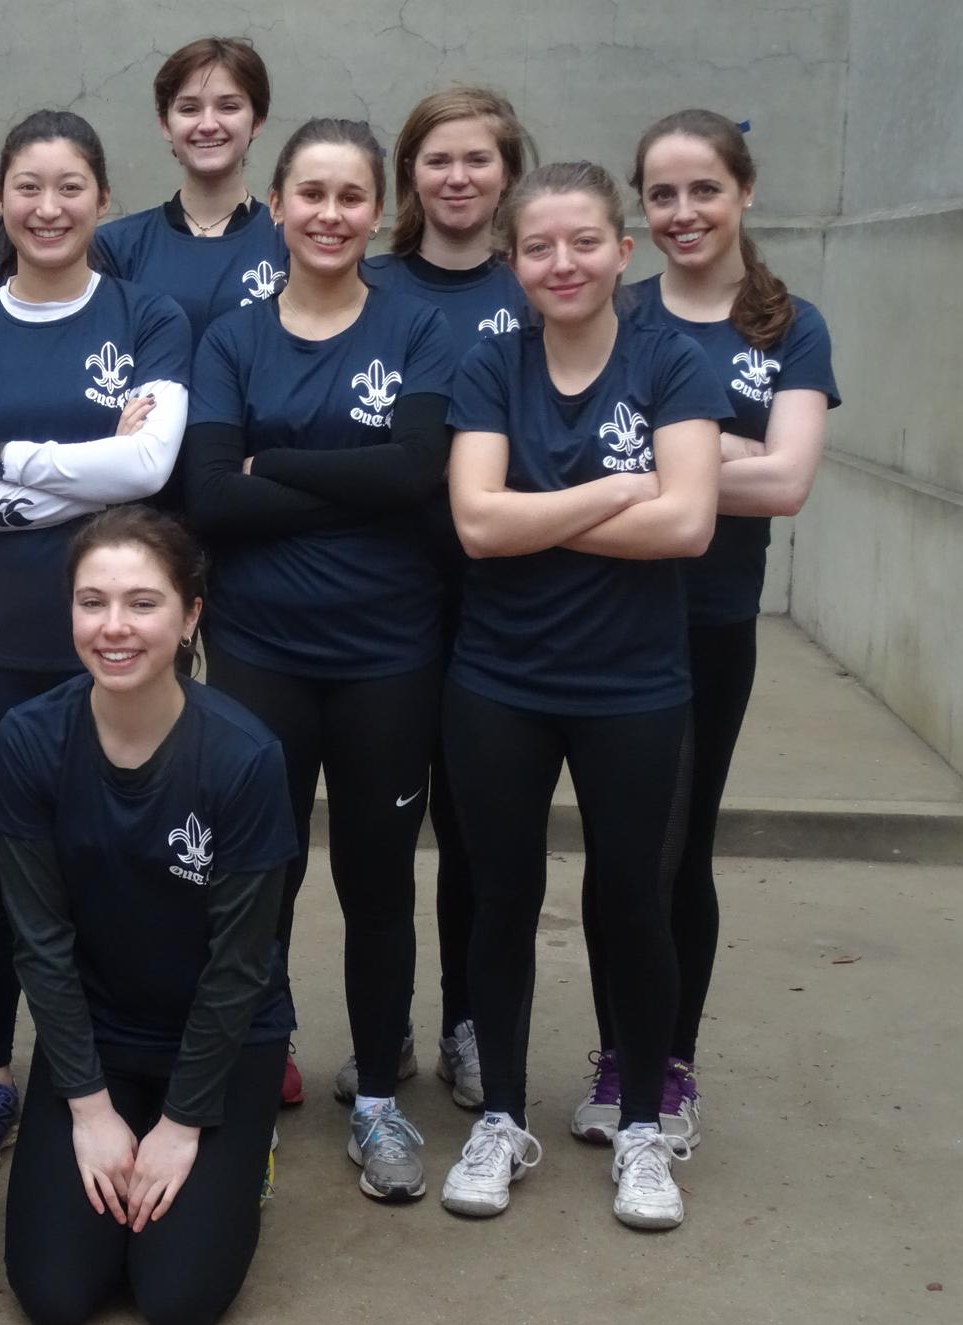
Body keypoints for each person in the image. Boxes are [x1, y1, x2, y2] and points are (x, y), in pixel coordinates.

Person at [437, 161, 728, 1230]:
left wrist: (537, 512)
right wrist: (614, 488)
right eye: (539, 248)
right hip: (500, 680)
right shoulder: (491, 368)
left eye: (583, 244)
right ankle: (502, 1117)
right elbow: (475, 524)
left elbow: (690, 524)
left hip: (634, 687)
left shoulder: (674, 362)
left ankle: (644, 1127)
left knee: (630, 901)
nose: (562, 265)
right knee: (502, 895)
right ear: (512, 263)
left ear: (624, 251)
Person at [183, 116, 455, 1191]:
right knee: (262, 873)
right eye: (312, 195)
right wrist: (357, 478)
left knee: (379, 879)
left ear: (376, 207)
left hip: (389, 650)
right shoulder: (233, 338)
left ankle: (381, 1100)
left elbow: (420, 477)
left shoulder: (416, 330)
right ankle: (257, 1065)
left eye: (351, 197)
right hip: (260, 648)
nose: (331, 216)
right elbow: (208, 498)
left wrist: (278, 463)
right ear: (281, 207)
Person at [0, 108, 192, 1177]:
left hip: (118, 639)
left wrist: (10, 454)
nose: (48, 207)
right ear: (3, 200)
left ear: (103, 201)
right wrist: (81, 473)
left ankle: (123, 1071)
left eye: (71, 186)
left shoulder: (148, 314)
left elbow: (153, 471)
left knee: (118, 866)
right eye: (28, 187)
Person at [571, 110, 840, 1148]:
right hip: (604, 620)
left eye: (704, 191)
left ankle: (667, 1066)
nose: (684, 213)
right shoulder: (616, 309)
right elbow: (572, 459)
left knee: (673, 859)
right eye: (664, 195)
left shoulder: (789, 326)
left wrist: (674, 467)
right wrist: (716, 455)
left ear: (745, 193)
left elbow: (788, 482)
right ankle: (614, 1052)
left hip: (709, 626)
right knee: (615, 855)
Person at [0, 507, 293, 1325]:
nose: (114, 627)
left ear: (192, 614)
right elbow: (39, 941)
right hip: (95, 1036)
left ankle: (247, 1148)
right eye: (92, 602)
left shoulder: (243, 756)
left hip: (222, 1042)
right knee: (55, 1297)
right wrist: (89, 1111)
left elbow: (241, 963)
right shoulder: (29, 740)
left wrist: (184, 1123)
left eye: (142, 602)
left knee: (177, 1302)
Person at [355, 85, 536, 1115]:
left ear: (507, 171)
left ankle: (471, 1022)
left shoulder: (535, 287)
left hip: (501, 607)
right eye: (436, 160)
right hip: (383, 603)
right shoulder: (368, 285)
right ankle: (389, 1028)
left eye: (477, 160)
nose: (458, 178)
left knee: (476, 835)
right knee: (381, 840)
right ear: (408, 178)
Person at [94, 36, 288, 343]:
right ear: (165, 124)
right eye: (189, 109)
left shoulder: (290, 243)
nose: (208, 124)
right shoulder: (116, 248)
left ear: (258, 120)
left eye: (228, 106)